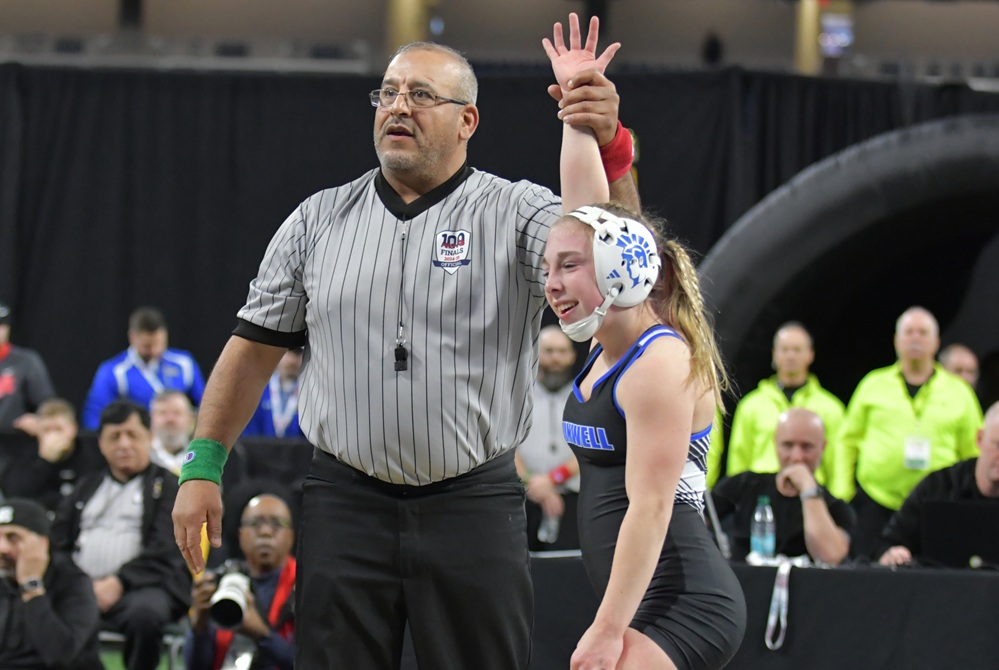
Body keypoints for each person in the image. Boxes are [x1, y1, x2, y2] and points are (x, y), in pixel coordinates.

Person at [173, 13, 637, 670]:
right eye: (387, 93)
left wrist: (607, 145)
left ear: (467, 122)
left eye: (421, 95)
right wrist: (202, 466)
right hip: (345, 503)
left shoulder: (515, 212)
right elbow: (251, 350)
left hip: (471, 503)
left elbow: (611, 267)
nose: (398, 106)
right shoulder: (316, 220)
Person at [542, 32, 744, 662]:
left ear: (618, 274)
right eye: (549, 267)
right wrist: (577, 109)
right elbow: (586, 204)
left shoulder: (659, 361)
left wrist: (606, 630)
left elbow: (652, 507)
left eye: (569, 267)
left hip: (685, 598)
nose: (552, 283)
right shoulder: (611, 342)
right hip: (637, 592)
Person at [51, 400, 191, 670]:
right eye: (114, 437)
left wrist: (118, 583)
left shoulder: (171, 488)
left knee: (145, 616)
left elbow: (167, 550)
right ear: (101, 444)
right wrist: (78, 584)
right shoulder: (86, 487)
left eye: (132, 435)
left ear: (149, 438)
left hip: (144, 589)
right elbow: (58, 545)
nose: (123, 444)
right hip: (82, 589)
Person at [834, 306, 982, 559]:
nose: (915, 338)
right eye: (909, 332)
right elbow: (846, 442)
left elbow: (973, 451)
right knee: (867, 577)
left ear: (936, 342)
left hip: (938, 506)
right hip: (877, 502)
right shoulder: (872, 385)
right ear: (896, 340)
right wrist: (844, 495)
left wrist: (969, 502)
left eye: (923, 332)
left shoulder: (960, 392)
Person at [711, 408, 854, 564]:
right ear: (775, 443)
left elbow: (830, 556)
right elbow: (697, 517)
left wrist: (808, 489)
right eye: (788, 445)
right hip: (743, 582)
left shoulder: (835, 507)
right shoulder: (745, 484)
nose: (797, 457)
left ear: (823, 447)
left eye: (807, 447)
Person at [878, 401, 999, 567]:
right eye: (997, 445)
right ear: (979, 439)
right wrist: (893, 554)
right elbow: (888, 543)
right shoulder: (938, 486)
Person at [726, 322, 845, 488]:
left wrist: (839, 504)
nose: (790, 356)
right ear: (775, 354)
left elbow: (839, 462)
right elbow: (739, 458)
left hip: (810, 493)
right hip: (761, 494)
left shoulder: (830, 408)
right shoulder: (751, 405)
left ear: (810, 355)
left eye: (797, 350)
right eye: (785, 349)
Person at [185, 493, 295, 670]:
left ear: (290, 536)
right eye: (255, 523)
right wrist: (199, 626)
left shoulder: (306, 588)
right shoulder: (223, 581)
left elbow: (314, 664)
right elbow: (195, 666)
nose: (265, 532)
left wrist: (262, 635)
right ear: (241, 535)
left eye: (277, 524)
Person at [0, 497, 103, 669]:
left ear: (42, 543)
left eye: (14, 538)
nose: (2, 548)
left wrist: (31, 586)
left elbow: (60, 655)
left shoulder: (73, 583)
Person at [81, 307, 206, 430]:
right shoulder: (114, 371)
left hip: (180, 438)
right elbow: (94, 417)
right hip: (139, 438)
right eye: (147, 346)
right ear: (132, 337)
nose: (154, 350)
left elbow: (205, 404)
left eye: (159, 344)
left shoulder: (184, 363)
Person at [516, 325, 581, 551]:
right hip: (522, 497)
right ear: (536, 353)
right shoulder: (519, 395)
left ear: (572, 356)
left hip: (570, 499)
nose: (556, 358)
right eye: (549, 350)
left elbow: (587, 449)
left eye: (562, 351)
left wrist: (552, 480)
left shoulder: (583, 396)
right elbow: (505, 446)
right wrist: (531, 481)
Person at [0, 398, 104, 513]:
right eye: (46, 430)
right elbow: (15, 495)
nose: (53, 436)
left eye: (58, 429)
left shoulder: (90, 454)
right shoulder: (27, 455)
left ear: (73, 429)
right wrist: (44, 461)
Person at [0, 301, 56, 433]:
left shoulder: (26, 361)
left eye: (2, 325)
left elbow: (47, 403)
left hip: (12, 443)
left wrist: (37, 419)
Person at [242, 348, 304, 439]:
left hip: (300, 451)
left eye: (298, 354)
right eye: (288, 353)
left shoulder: (310, 394)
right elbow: (249, 431)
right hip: (258, 451)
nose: (292, 361)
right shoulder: (258, 390)